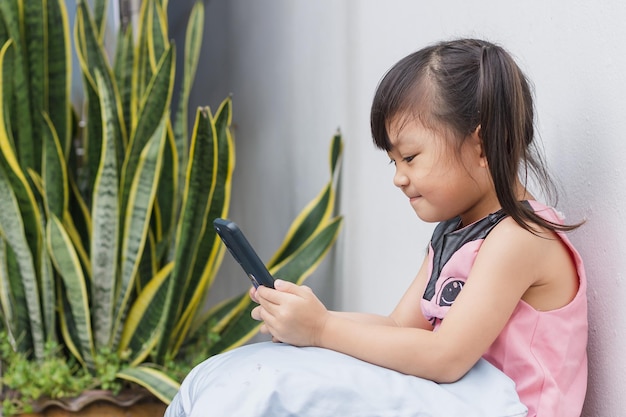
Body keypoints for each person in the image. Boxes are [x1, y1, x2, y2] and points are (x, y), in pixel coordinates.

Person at [250, 38, 588, 417]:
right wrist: (308, 318)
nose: (399, 178)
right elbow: (399, 326)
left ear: (483, 145)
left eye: (409, 157)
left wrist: (322, 329)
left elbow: (445, 357)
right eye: (393, 162)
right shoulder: (454, 232)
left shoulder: (520, 237)